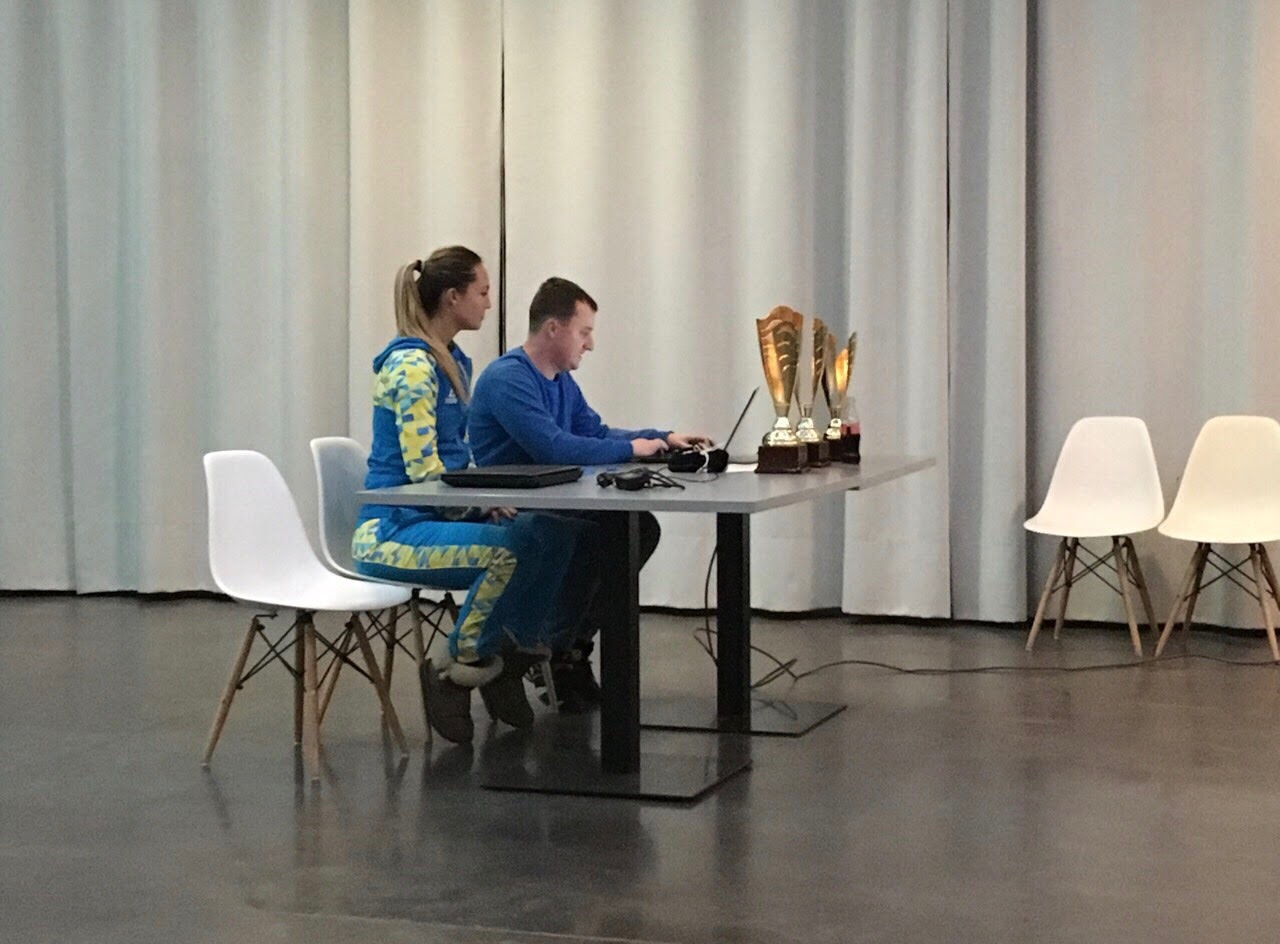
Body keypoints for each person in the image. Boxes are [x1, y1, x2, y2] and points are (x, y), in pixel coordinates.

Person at [353, 249, 597, 744]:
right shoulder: (412, 367)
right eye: (482, 292)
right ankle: (457, 668)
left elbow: (453, 462)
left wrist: (481, 495)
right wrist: (480, 500)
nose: (489, 303)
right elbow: (424, 475)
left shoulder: (451, 361)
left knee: (552, 532)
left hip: (431, 520)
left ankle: (510, 658)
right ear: (452, 297)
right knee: (506, 553)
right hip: (392, 530)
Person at [468, 277, 709, 708]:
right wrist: (632, 449)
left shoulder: (560, 381)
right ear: (553, 329)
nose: (590, 344)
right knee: (609, 533)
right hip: (513, 512)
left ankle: (568, 646)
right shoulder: (507, 378)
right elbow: (553, 448)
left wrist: (661, 438)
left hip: (554, 507)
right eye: (585, 332)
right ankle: (556, 646)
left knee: (636, 529)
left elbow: (594, 434)